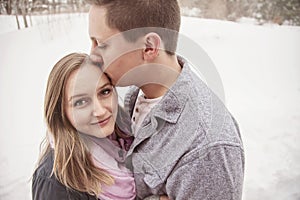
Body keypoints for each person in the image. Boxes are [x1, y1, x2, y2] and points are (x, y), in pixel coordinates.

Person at [87, 0, 245, 200]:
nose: (91, 55)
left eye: (100, 44)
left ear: (149, 47)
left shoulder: (206, 148)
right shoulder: (135, 92)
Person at [32, 53, 137, 200]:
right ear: (61, 112)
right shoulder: (55, 182)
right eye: (80, 102)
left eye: (105, 92)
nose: (100, 111)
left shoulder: (130, 137)